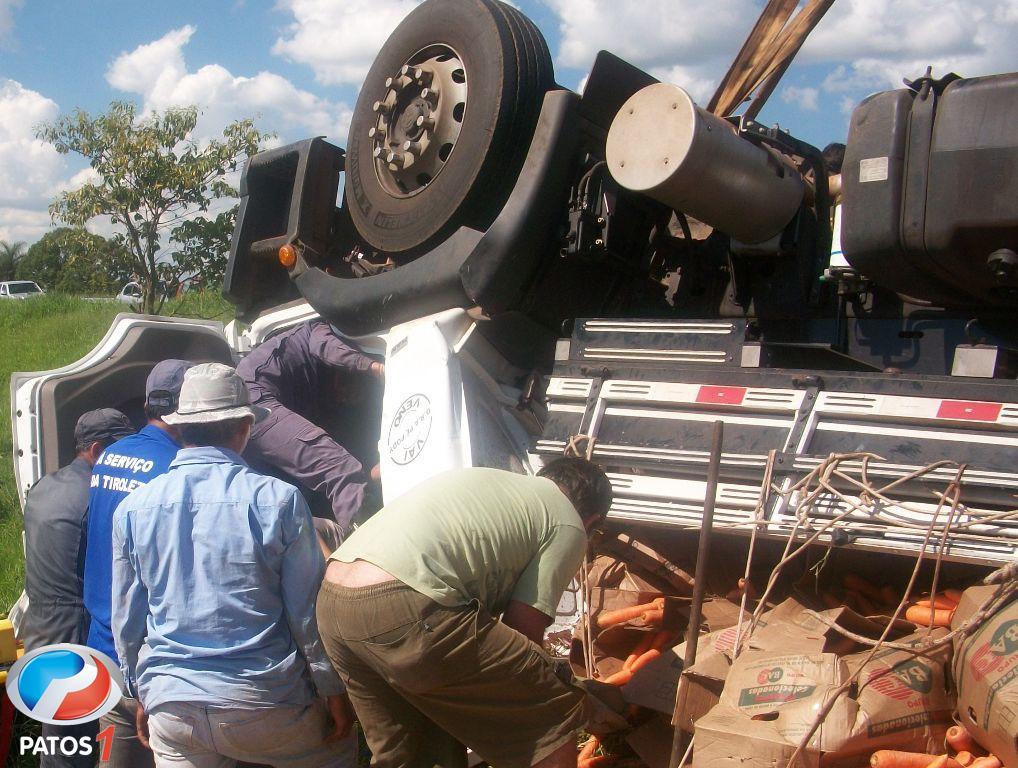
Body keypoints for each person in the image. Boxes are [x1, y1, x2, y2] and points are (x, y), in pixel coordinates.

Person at [111, 363, 356, 768]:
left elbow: (128, 620)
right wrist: (332, 689)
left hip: (174, 707)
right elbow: (307, 613)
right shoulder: (278, 500)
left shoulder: (133, 508)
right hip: (266, 700)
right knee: (336, 753)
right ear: (244, 426)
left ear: (181, 428)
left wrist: (141, 691)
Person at [317, 458, 614, 768]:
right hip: (404, 603)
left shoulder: (492, 482)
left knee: (411, 751)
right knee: (550, 711)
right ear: (592, 521)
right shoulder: (568, 522)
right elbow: (523, 628)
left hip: (334, 602)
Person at [84, 359, 192, 768]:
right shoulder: (174, 470)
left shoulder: (110, 455)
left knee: (112, 756)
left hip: (103, 644)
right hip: (148, 653)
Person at [21, 408, 135, 768]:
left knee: (59, 737)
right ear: (99, 450)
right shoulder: (95, 496)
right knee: (84, 740)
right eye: (122, 450)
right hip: (77, 624)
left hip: (41, 624)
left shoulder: (44, 485)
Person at [237, 319, 382, 531]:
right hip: (254, 401)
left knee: (290, 493)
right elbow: (326, 347)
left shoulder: (315, 393)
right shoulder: (317, 329)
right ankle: (371, 547)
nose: (350, 396)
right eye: (354, 386)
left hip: (245, 409)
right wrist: (375, 367)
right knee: (340, 468)